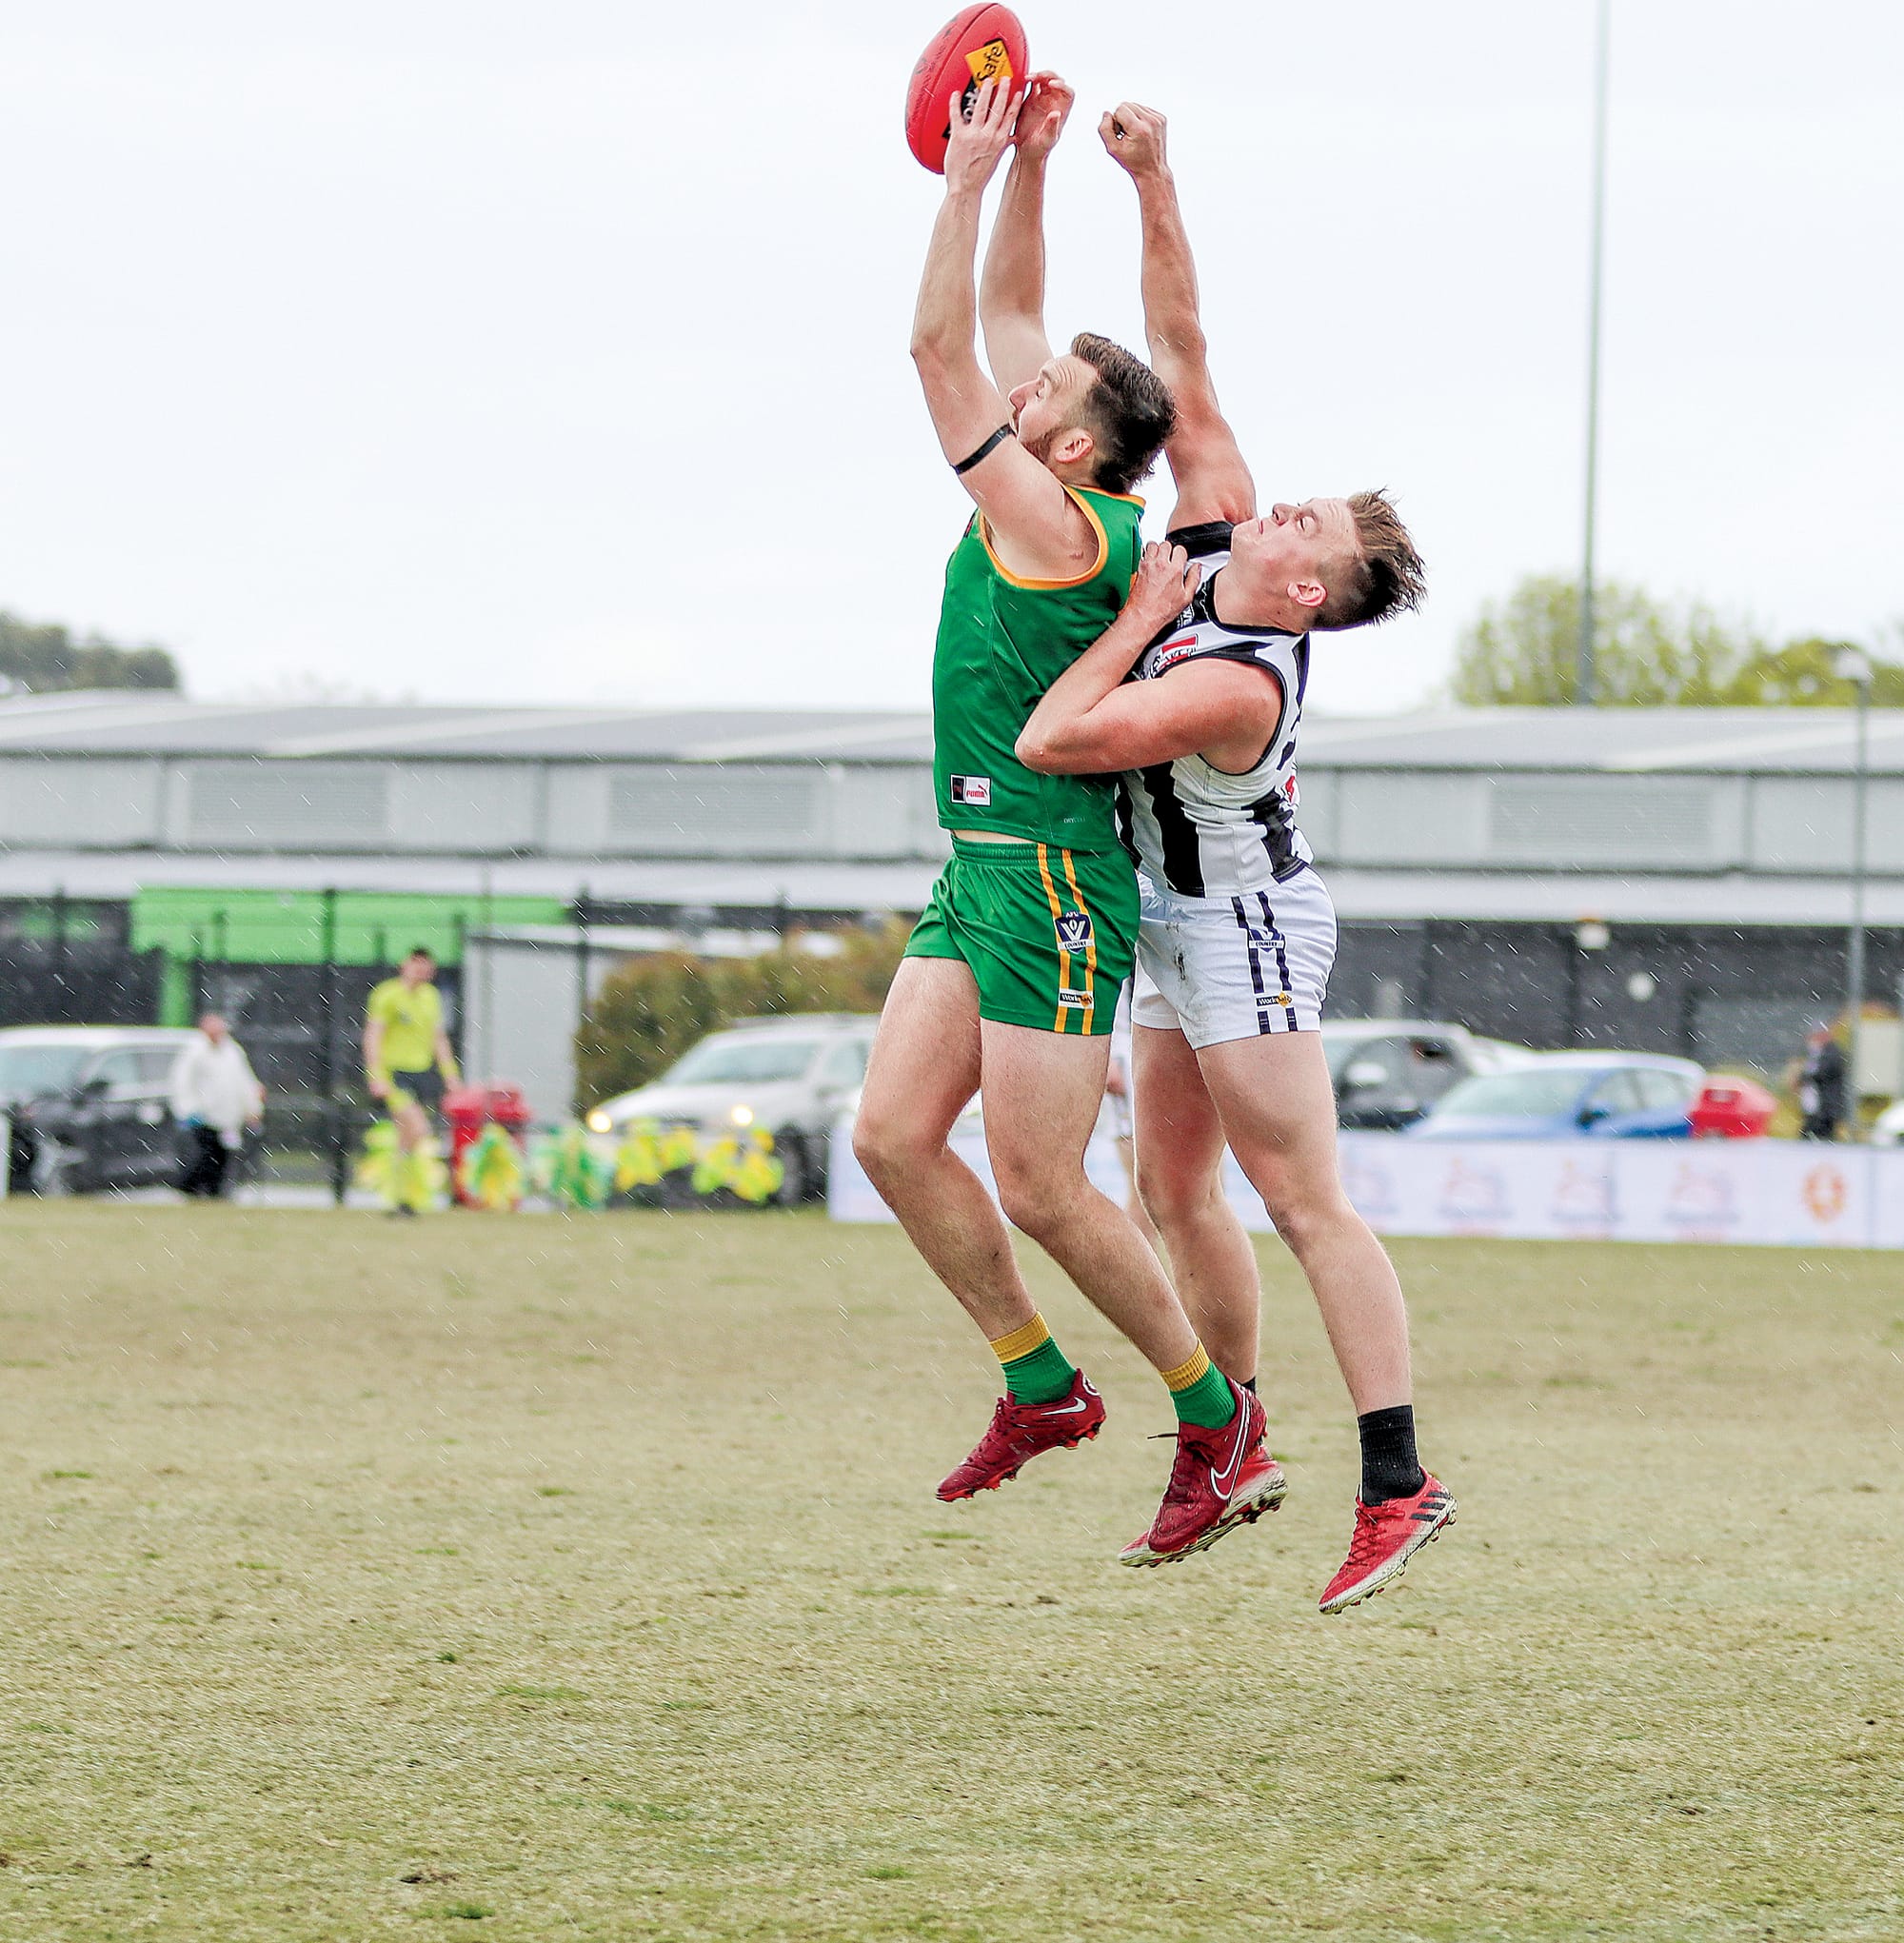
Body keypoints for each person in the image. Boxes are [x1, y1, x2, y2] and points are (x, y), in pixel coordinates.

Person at [1013, 101, 1453, 1613]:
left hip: (1246, 923)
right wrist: (1153, 178)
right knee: (1169, 1188)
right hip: (1170, 919)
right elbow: (1183, 346)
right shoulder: (1214, 534)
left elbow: (1063, 741)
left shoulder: (1236, 676)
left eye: (1307, 517)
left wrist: (1132, 623)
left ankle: (1398, 1479)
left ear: (1313, 586)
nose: (1280, 502)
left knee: (1305, 1198)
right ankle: (1237, 1439)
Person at [852, 72, 1283, 1569]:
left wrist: (959, 178)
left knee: (1042, 1180)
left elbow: (935, 343)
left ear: (1082, 452)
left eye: (1044, 401)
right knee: (893, 1137)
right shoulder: (1052, 480)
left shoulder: (1050, 522)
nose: (1019, 388)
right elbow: (1018, 322)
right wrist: (1034, 166)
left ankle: (1215, 1416)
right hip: (976, 865)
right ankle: (1042, 1385)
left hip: (1049, 876)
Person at [363, 947, 460, 1215]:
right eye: (416, 964)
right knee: (418, 1129)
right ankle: (401, 1196)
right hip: (395, 1075)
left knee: (406, 1140)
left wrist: (450, 1074)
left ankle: (401, 1200)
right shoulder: (387, 995)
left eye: (426, 966)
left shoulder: (431, 997)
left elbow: (438, 1038)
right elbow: (373, 1036)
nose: (421, 971)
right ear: (404, 965)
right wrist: (376, 1076)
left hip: (421, 1074)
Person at [169, 1013, 264, 1200]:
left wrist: (253, 1108)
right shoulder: (194, 1051)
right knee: (206, 1156)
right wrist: (188, 1110)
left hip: (228, 1119)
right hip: (203, 1117)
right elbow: (181, 1082)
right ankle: (190, 1187)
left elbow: (244, 1083)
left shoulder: (232, 1052)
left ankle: (212, 1193)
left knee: (221, 1158)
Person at [1797, 1025, 1848, 1141]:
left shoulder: (1832, 1053)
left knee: (1817, 1136)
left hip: (1826, 1109)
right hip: (1819, 1109)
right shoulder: (1818, 1054)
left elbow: (1821, 1073)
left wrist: (1803, 1077)